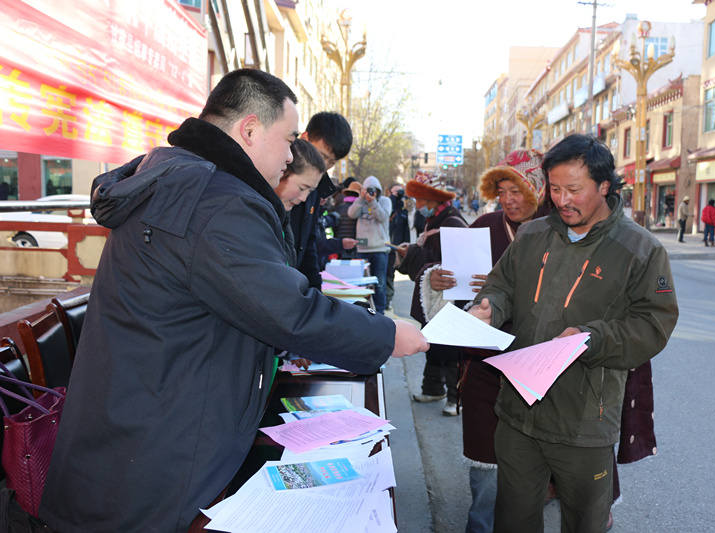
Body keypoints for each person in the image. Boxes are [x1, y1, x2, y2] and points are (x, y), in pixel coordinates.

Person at [39, 69, 428, 532]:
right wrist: (387, 334)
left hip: (136, 432)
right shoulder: (215, 199)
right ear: (248, 129)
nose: (289, 156)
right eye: (286, 139)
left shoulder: (181, 176)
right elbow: (287, 309)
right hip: (155, 458)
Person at [468, 134, 679, 533]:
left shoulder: (640, 249)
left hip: (584, 423)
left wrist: (590, 338)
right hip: (517, 414)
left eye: (574, 190)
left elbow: (654, 324)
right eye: (555, 188)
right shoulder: (533, 235)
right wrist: (489, 307)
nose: (562, 200)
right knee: (512, 520)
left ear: (603, 186)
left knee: (585, 523)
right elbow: (500, 285)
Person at [425, 149, 548, 532]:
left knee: (533, 466)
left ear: (540, 189)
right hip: (483, 363)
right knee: (485, 462)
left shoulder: (557, 230)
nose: (509, 199)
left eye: (519, 190)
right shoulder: (484, 224)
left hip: (537, 364)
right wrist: (437, 281)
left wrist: (504, 292)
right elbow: (455, 290)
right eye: (503, 190)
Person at [396, 172, 468, 416]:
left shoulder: (453, 223)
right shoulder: (433, 221)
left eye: (421, 200)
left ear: (433, 200)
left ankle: (455, 398)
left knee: (450, 350)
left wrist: (417, 255)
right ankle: (433, 388)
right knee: (434, 346)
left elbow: (457, 263)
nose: (418, 205)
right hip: (434, 299)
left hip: (450, 299)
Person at [289, 112, 353, 289]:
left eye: (331, 162)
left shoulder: (317, 190)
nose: (323, 165)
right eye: (321, 155)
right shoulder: (278, 175)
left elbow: (308, 245)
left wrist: (316, 291)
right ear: (304, 138)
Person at [348, 175, 392, 313]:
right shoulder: (360, 202)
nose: (371, 193)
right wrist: (361, 199)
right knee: (363, 285)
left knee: (379, 284)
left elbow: (383, 217)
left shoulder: (385, 201)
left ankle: (379, 313)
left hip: (380, 248)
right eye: (368, 190)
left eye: (374, 190)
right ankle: (364, 313)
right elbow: (351, 214)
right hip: (362, 248)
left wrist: (373, 202)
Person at [386, 183, 410, 311]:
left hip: (398, 247)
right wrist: (393, 198)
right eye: (397, 192)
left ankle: (388, 299)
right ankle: (385, 300)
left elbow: (406, 228)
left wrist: (407, 246)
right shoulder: (388, 205)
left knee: (391, 274)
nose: (399, 194)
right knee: (386, 274)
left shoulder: (403, 210)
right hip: (386, 246)